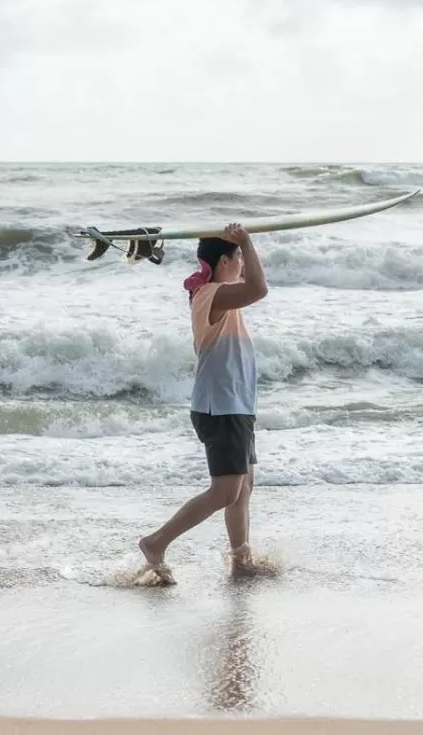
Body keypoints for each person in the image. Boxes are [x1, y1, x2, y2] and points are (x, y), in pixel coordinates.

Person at [139, 223, 268, 582]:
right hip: (220, 406)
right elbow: (259, 288)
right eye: (237, 258)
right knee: (225, 492)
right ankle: (156, 542)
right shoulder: (211, 294)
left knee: (243, 488)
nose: (242, 263)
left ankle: (241, 560)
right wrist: (246, 240)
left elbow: (250, 285)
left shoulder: (219, 292)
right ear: (224, 262)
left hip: (235, 405)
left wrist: (235, 239)